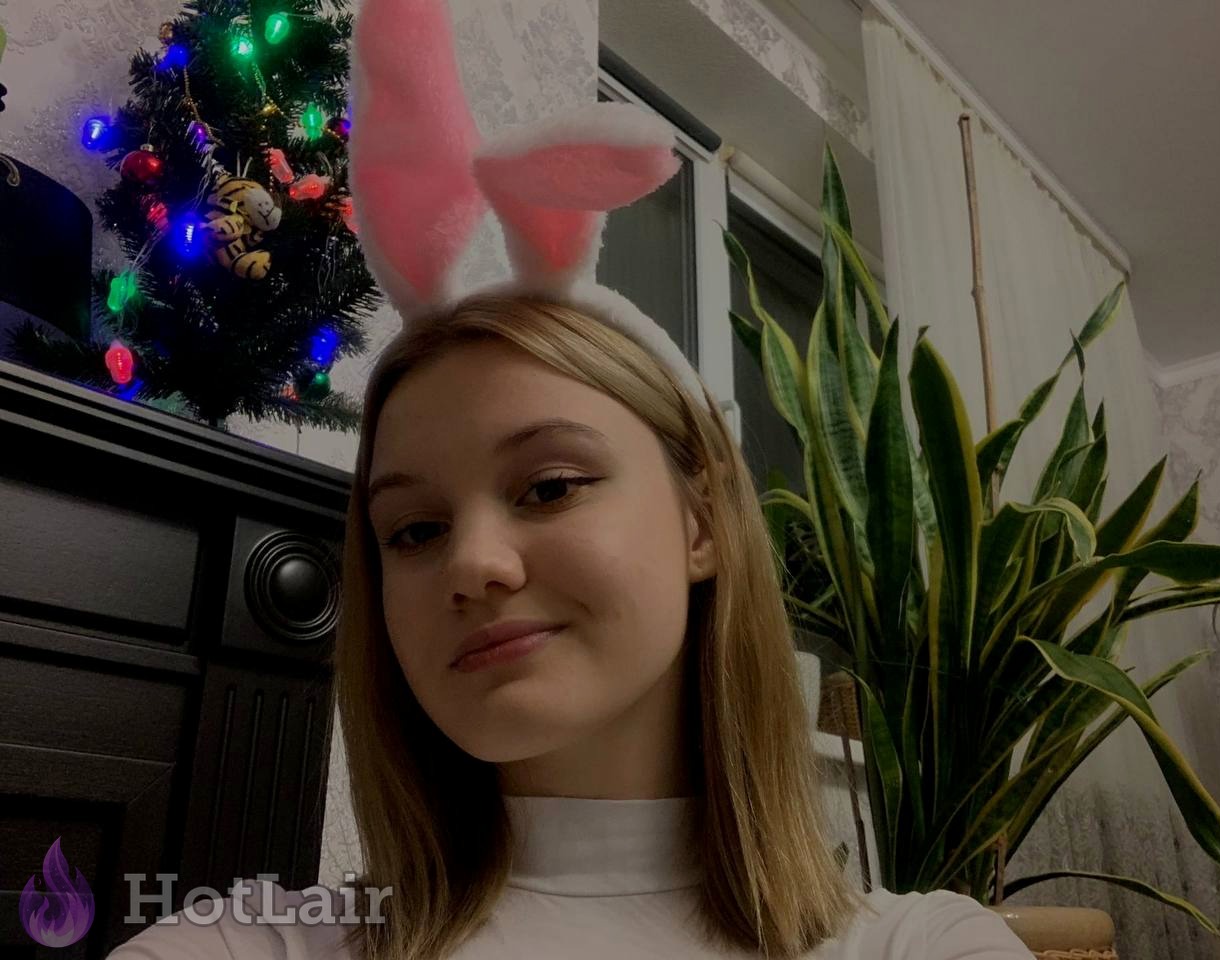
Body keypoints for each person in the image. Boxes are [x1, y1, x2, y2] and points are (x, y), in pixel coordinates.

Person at [105, 0, 1037, 957]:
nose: (472, 564)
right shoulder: (251, 945)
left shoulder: (919, 946)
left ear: (702, 521)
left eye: (549, 486)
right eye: (413, 531)